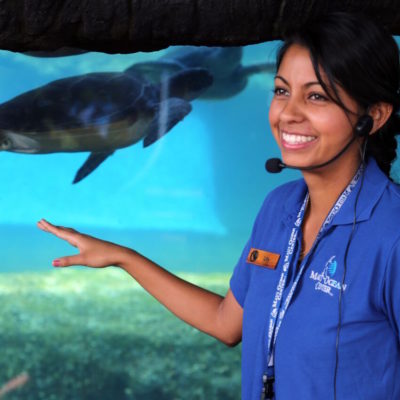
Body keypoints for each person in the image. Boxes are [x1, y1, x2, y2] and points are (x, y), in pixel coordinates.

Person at [37, 12, 400, 400]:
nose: (288, 114)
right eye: (281, 91)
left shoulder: (392, 232)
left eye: (316, 96)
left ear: (373, 117)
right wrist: (125, 258)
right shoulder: (280, 207)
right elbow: (227, 322)